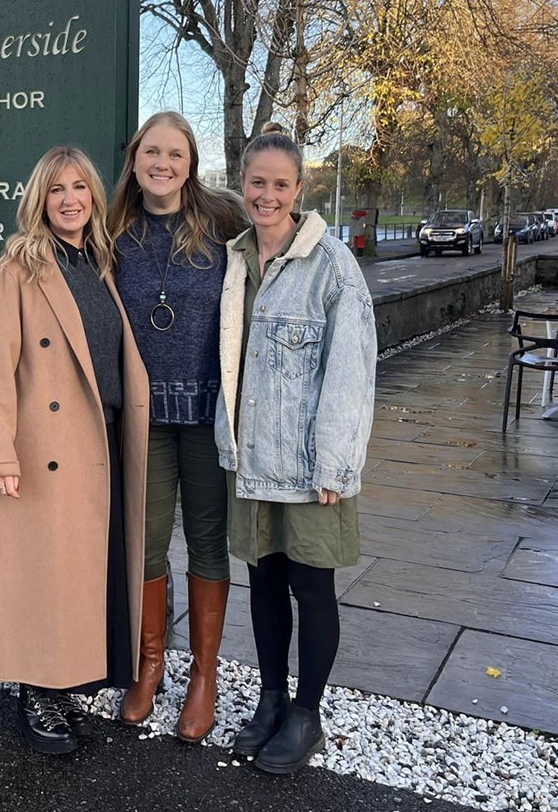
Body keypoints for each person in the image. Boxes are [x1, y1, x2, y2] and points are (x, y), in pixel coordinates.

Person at [0, 146, 150, 755]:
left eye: (79, 187)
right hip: (44, 450)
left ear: (94, 195)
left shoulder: (98, 263)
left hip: (101, 442)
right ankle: (38, 691)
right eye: (56, 190)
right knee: (45, 577)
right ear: (38, 201)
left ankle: (67, 679)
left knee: (80, 577)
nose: (70, 199)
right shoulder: (16, 271)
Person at [216, 131, 377, 775]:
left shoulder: (332, 266)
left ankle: (306, 712)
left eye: (281, 184)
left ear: (299, 191)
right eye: (258, 182)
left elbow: (351, 371)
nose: (267, 195)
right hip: (252, 458)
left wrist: (336, 464)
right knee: (263, 584)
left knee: (312, 588)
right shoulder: (234, 260)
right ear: (244, 182)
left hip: (311, 466)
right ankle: (271, 699)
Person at [108, 111, 248, 742]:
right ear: (135, 158)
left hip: (209, 416)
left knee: (209, 543)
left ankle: (204, 676)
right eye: (151, 152)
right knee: (146, 544)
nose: (162, 164)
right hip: (145, 418)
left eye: (176, 154)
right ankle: (150, 665)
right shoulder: (112, 230)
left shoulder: (223, 222)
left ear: (191, 163)